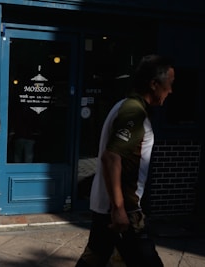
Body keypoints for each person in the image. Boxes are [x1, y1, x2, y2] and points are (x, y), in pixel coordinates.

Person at [75, 54, 175, 267]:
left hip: (107, 207)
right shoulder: (133, 112)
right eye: (169, 84)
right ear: (154, 84)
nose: (171, 91)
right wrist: (119, 208)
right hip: (124, 211)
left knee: (96, 257)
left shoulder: (125, 106)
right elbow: (111, 158)